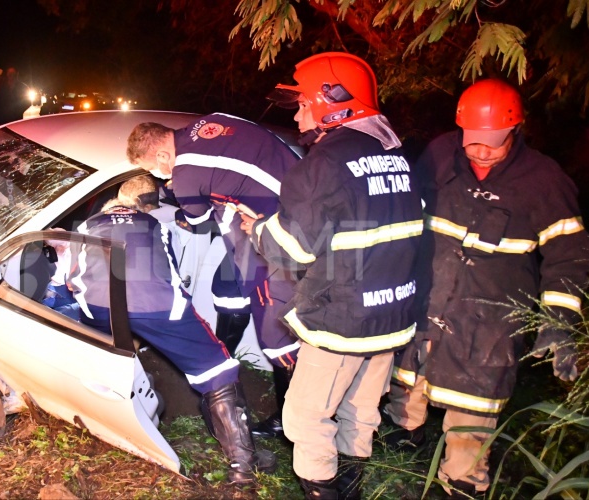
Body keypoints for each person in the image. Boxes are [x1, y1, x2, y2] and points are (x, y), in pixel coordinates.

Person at [382, 79, 589, 496]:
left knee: (474, 401)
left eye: (492, 143)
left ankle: (462, 481)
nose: (479, 150)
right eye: (473, 141)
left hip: (491, 316)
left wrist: (559, 323)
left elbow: (569, 256)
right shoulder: (441, 155)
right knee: (409, 374)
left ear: (517, 131)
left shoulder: (545, 181)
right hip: (429, 296)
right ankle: (403, 435)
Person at [243, 52, 422, 499]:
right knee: (360, 412)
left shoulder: (322, 165)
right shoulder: (395, 154)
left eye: (304, 102)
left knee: (303, 418)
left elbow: (292, 248)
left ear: (333, 102)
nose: (299, 112)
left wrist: (257, 230)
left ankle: (322, 490)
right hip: (393, 314)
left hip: (342, 320)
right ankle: (352, 489)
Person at [68, 175, 274, 484]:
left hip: (99, 308)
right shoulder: (157, 225)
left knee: (97, 349)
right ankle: (243, 467)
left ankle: (103, 423)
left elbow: (72, 279)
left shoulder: (86, 226)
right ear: (144, 206)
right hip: (159, 305)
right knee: (217, 368)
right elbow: (171, 273)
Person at [126, 112, 301, 440]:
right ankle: (223, 358)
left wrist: (178, 201)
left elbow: (197, 220)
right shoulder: (212, 122)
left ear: (163, 154)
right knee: (228, 291)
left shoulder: (187, 172)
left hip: (276, 241)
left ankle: (293, 422)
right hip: (279, 210)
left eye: (153, 167)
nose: (157, 174)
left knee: (276, 338)